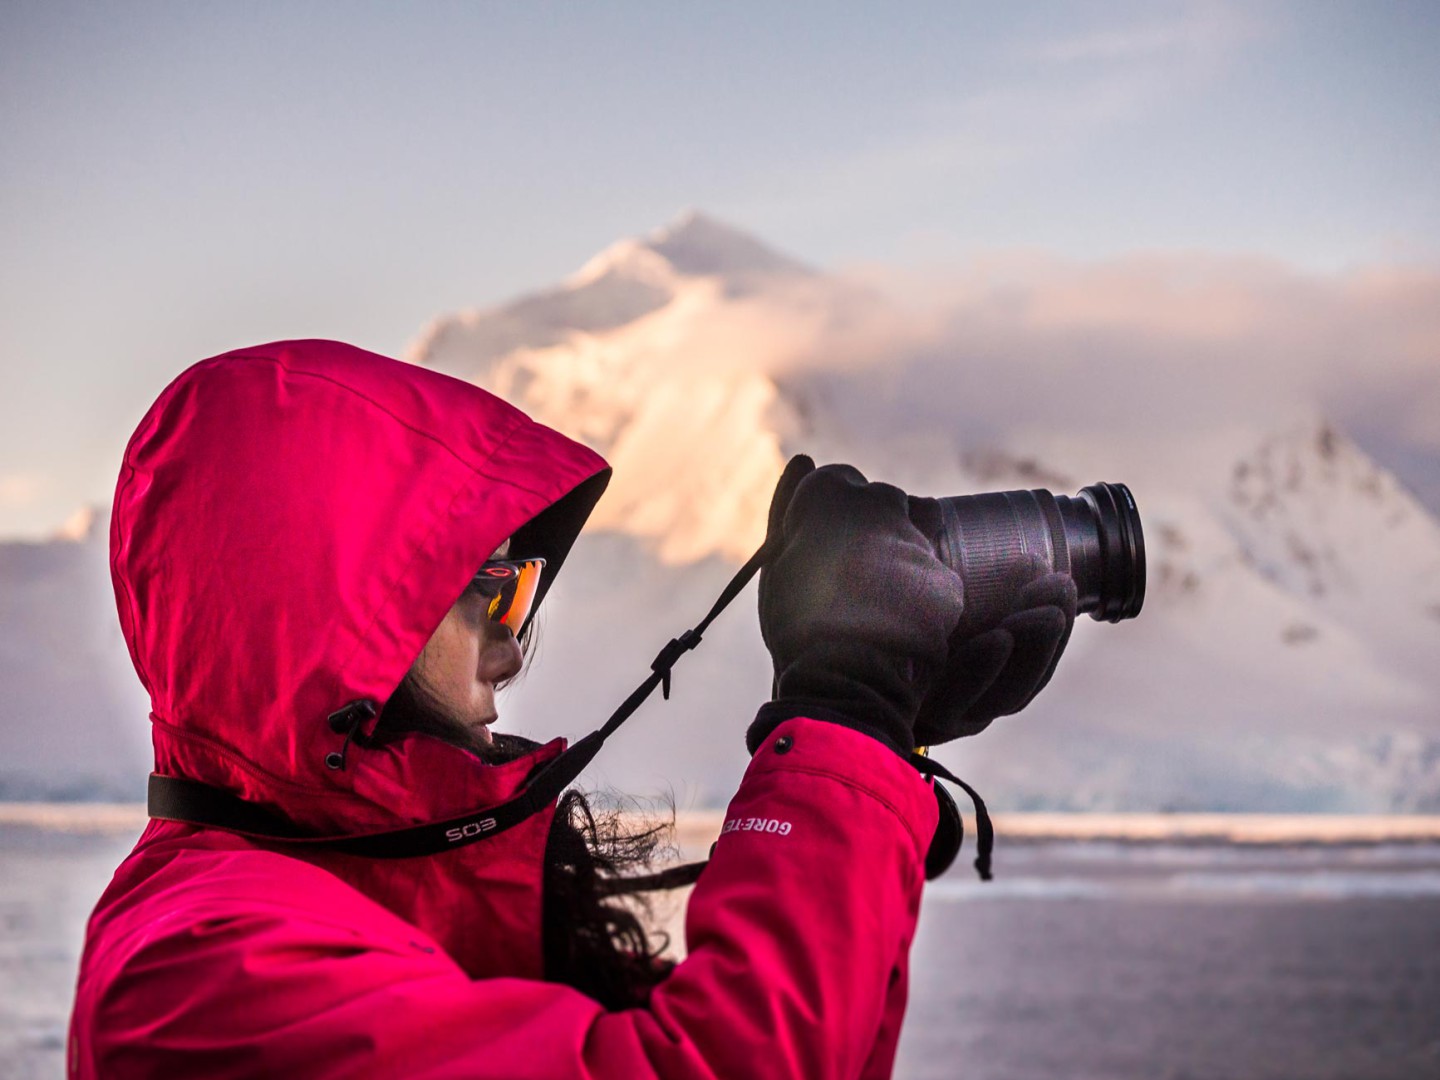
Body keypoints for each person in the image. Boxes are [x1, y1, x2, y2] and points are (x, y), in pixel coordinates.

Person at [69, 339, 1074, 1078]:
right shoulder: (208, 977)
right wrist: (844, 720)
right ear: (324, 627)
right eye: (487, 591)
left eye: (522, 594)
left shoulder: (327, 895)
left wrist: (874, 759)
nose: (512, 646)